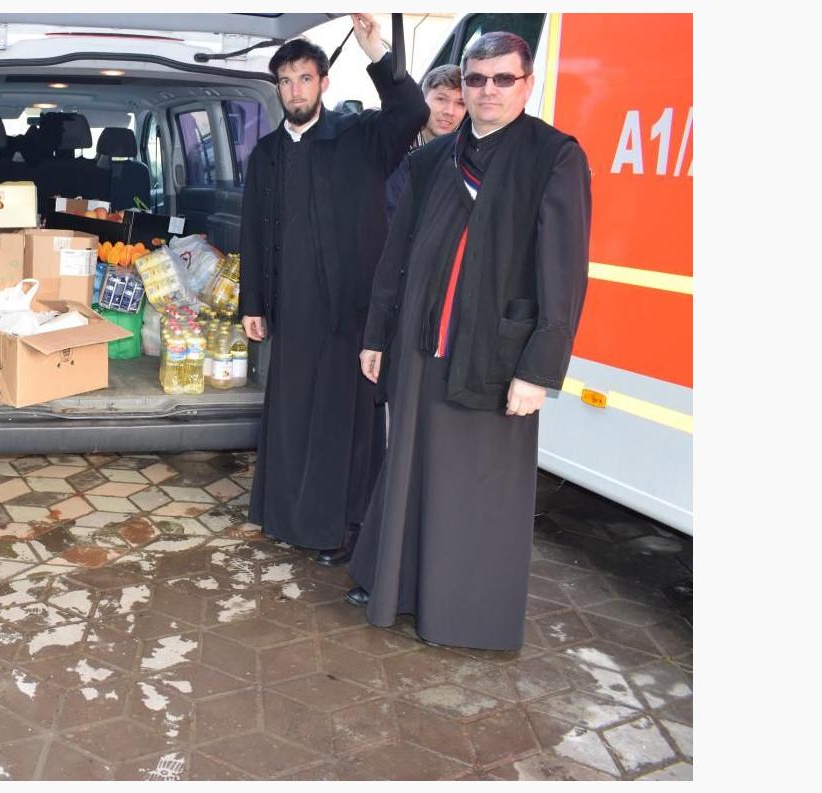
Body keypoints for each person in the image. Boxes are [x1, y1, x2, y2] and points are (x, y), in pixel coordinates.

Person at [345, 31, 592, 650]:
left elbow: (564, 272)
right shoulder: (432, 159)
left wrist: (538, 370)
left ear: (526, 84)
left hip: (495, 359)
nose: (487, 91)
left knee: (478, 490)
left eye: (503, 79)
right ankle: (396, 590)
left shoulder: (553, 156)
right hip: (419, 349)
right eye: (476, 79)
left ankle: (460, 616)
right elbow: (397, 255)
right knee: (410, 472)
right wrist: (377, 334)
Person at [238, 15, 428, 566]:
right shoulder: (267, 153)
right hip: (292, 312)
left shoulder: (360, 137)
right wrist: (253, 303)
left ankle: (344, 526)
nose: (295, 90)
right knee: (292, 416)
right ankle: (286, 516)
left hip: (350, 313)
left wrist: (377, 52)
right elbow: (252, 231)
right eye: (285, 81)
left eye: (304, 79)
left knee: (344, 425)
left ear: (323, 83)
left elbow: (411, 111)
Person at [384, 64, 466, 223]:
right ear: (422, 99)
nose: (449, 111)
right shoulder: (392, 149)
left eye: (460, 103)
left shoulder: (465, 161)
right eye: (441, 99)